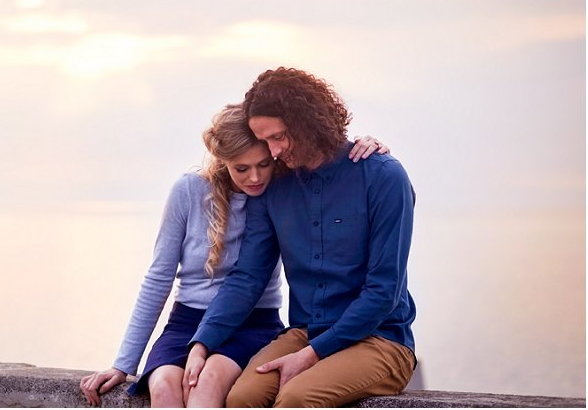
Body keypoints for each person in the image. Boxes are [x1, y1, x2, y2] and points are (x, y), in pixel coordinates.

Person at [80, 103, 388, 407]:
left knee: (208, 381)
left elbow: (341, 184)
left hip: (254, 322)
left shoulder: (283, 190)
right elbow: (158, 277)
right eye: (242, 168)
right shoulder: (188, 191)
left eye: (263, 164)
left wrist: (367, 150)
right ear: (223, 160)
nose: (255, 178)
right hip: (186, 322)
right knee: (163, 386)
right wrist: (123, 364)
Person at [185, 67, 417, 408]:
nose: (274, 152)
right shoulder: (276, 187)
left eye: (278, 137)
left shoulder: (383, 177)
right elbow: (248, 277)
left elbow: (383, 292)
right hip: (306, 332)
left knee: (297, 398)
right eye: (265, 141)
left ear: (307, 122)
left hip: (381, 339)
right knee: (242, 398)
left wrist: (313, 354)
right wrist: (202, 344)